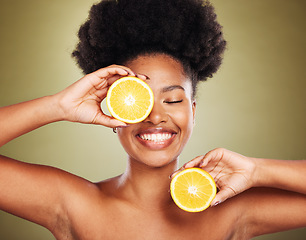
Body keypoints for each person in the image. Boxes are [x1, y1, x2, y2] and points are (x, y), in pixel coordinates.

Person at [0, 0, 305, 239]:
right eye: (136, 101)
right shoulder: (72, 204)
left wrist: (257, 170)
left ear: (193, 112)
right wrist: (59, 105)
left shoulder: (235, 211)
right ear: (114, 110)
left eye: (172, 100)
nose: (156, 116)